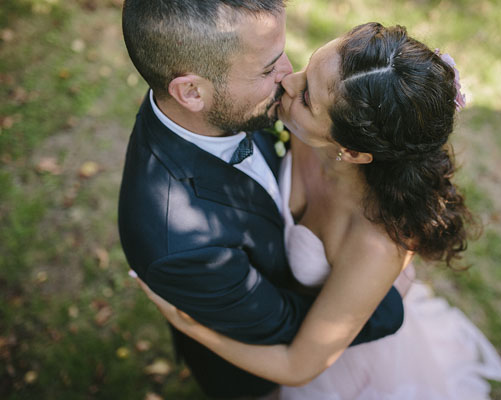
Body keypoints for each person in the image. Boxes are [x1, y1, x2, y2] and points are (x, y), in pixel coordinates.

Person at [135, 22, 501, 399]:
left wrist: (191, 326)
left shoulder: (376, 245)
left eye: (308, 98)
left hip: (335, 355)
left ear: (351, 152)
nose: (287, 81)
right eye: (309, 67)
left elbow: (298, 367)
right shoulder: (311, 120)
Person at [118, 2, 406, 399]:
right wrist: (387, 301)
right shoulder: (181, 244)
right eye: (268, 69)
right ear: (191, 92)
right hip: (254, 374)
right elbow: (287, 330)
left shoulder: (224, 105)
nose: (289, 78)